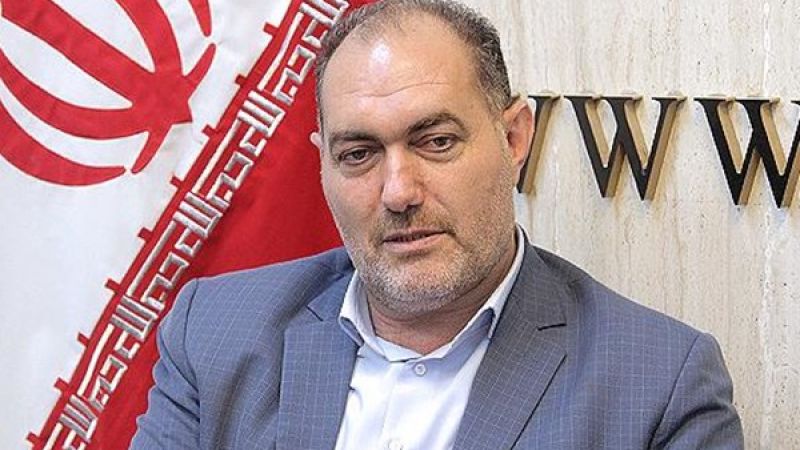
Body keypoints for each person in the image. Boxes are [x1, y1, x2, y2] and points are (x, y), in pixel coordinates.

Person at [132, 0, 744, 448]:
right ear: (323, 165)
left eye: (437, 142)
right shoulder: (214, 333)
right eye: (358, 154)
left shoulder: (658, 384)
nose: (398, 191)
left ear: (513, 139)